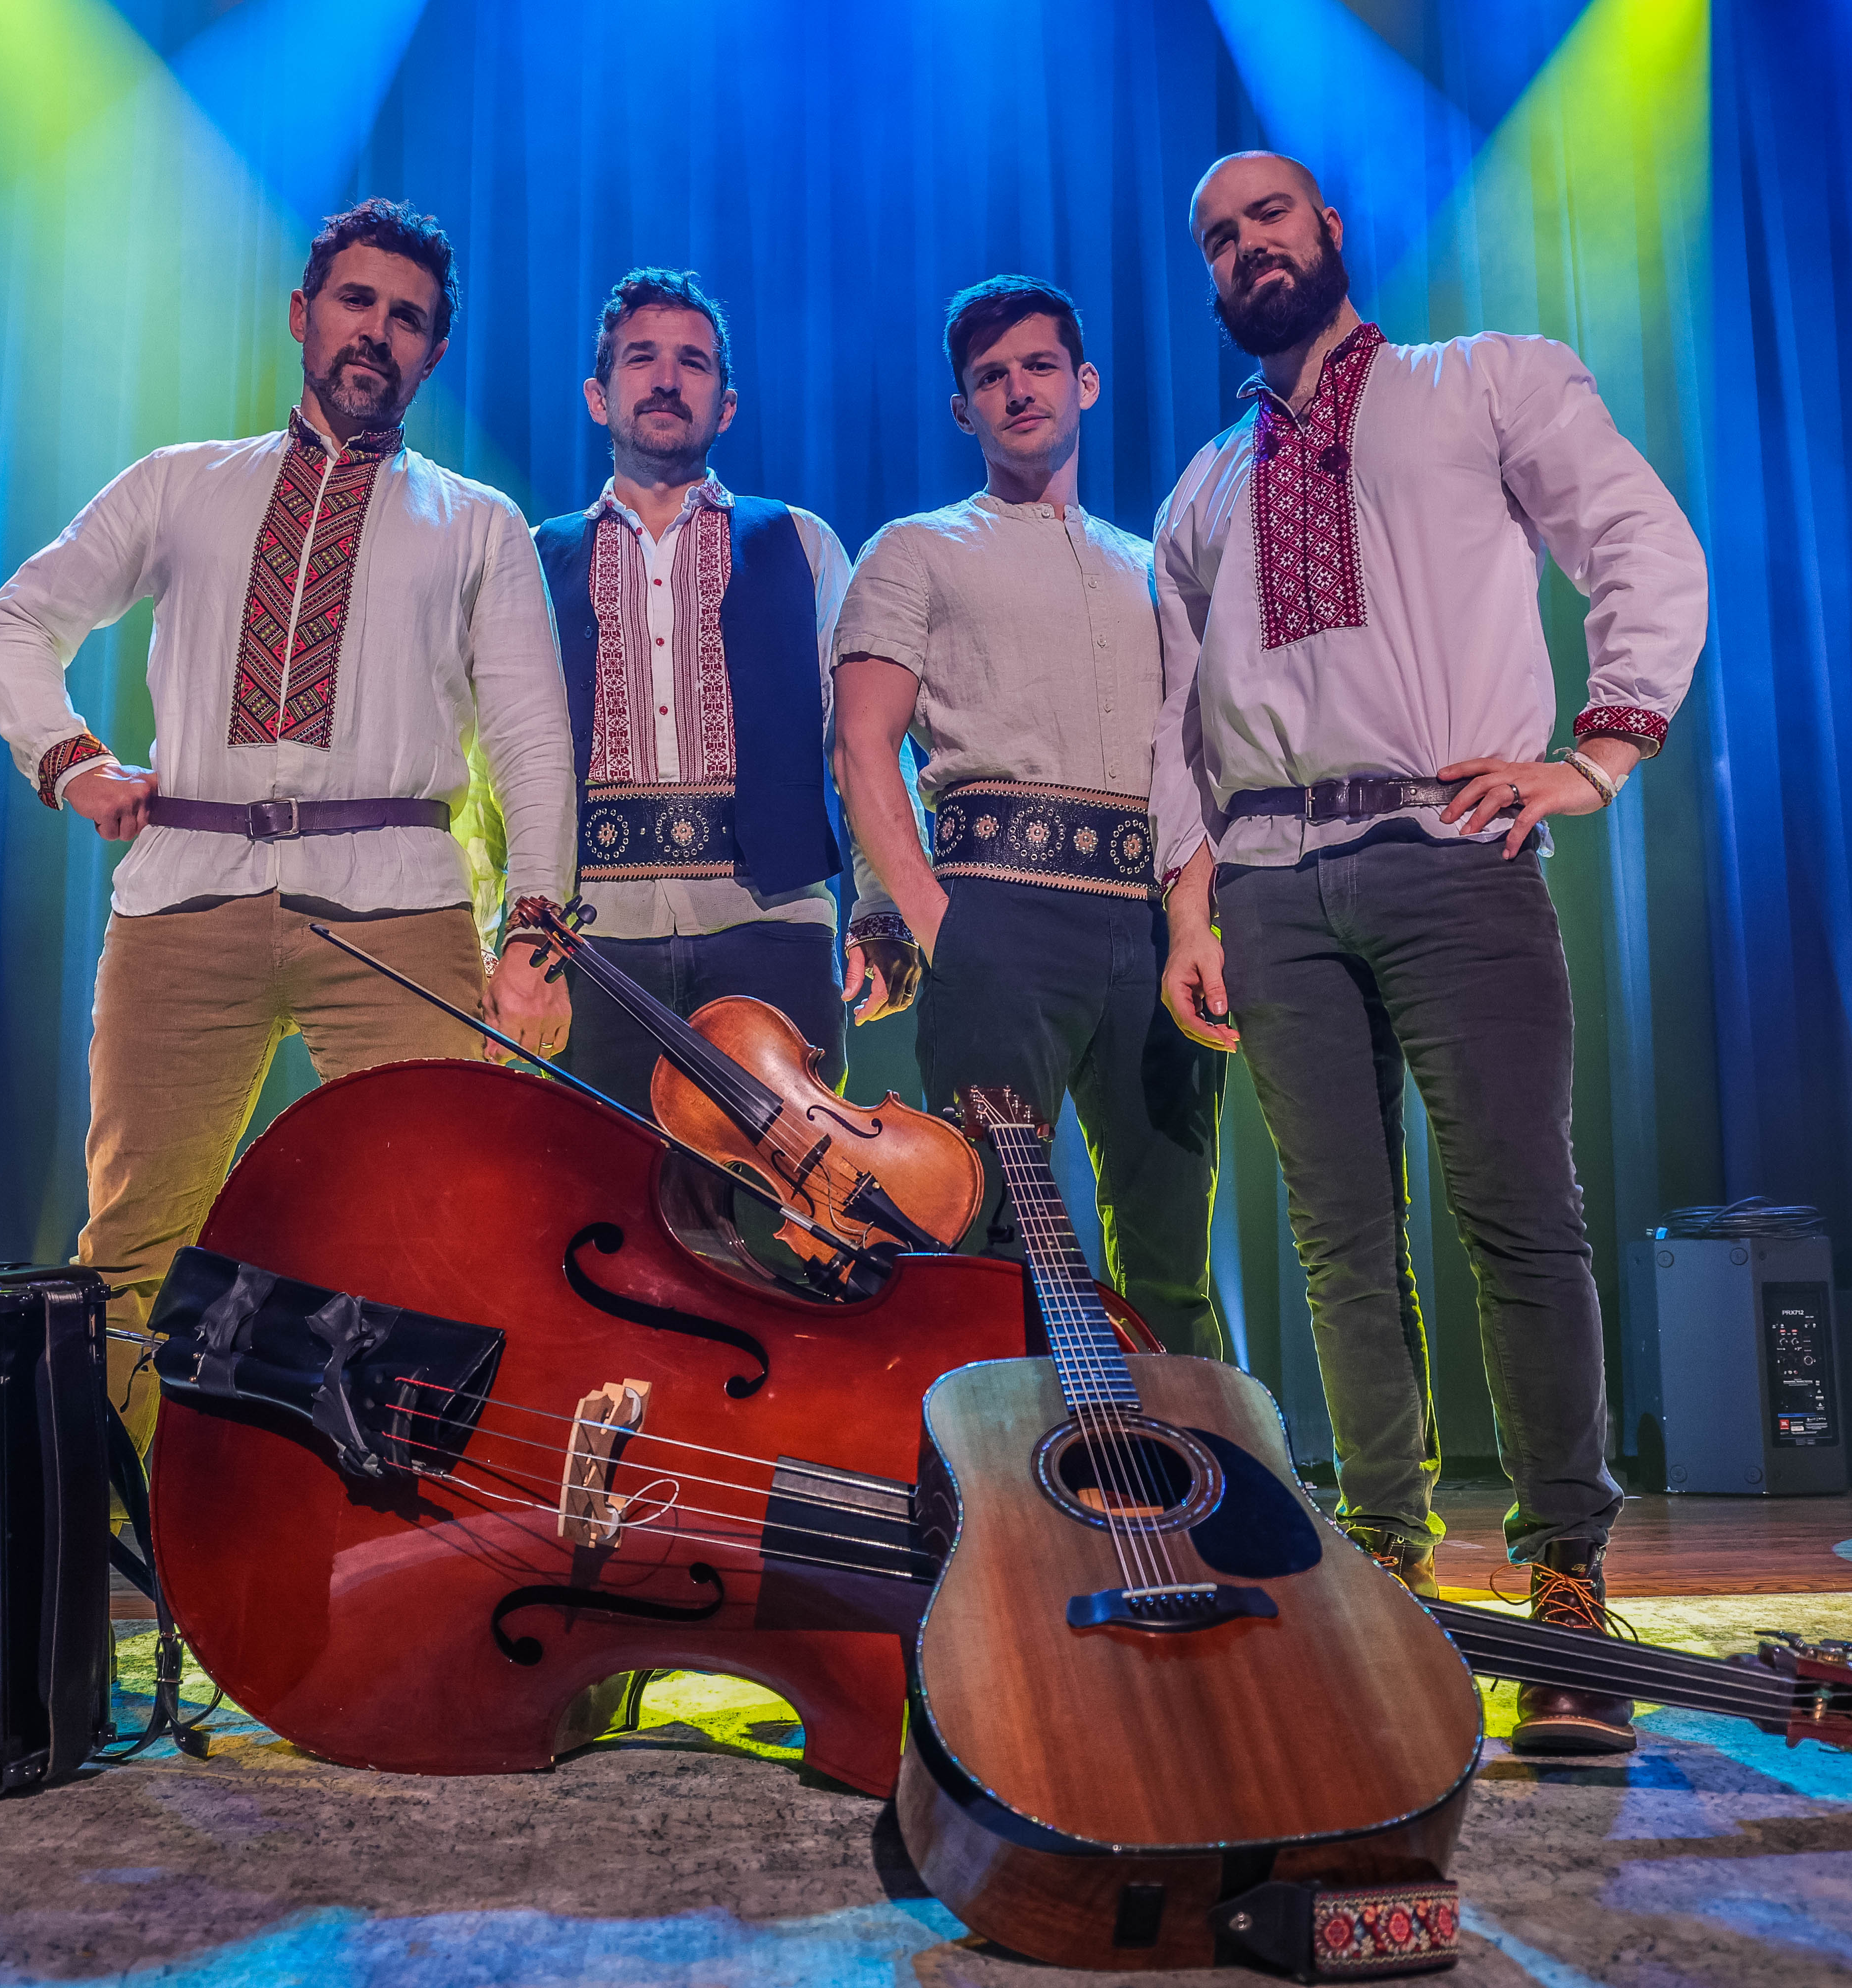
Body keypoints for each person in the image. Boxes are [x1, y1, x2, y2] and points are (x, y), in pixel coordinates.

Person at [1151, 153, 1707, 1755]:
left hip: (1452, 848)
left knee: (1518, 1219)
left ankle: (1565, 1589)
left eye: (1269, 216)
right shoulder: (1201, 488)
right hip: (1270, 883)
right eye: (1218, 237)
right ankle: (1380, 1564)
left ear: (1329, 228)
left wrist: (1601, 750)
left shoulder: (1483, 382)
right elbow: (1172, 715)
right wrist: (1188, 906)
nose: (1248, 247)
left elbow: (1635, 537)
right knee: (1338, 1240)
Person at [0, 198, 575, 1447]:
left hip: (399, 909)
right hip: (185, 902)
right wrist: (70, 758)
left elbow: (531, 738)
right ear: (303, 315)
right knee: (134, 1246)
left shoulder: (478, 522)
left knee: (445, 1229)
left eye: (407, 318)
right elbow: (15, 623)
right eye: (356, 302)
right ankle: (132, 1541)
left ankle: (398, 1541)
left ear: (434, 353)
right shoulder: (181, 483)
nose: (376, 332)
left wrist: (536, 931)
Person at [834, 277, 1225, 1360]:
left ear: (1085, 382)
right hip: (996, 914)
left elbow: (1199, 756)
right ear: (963, 409)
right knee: (992, 1241)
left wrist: (1194, 917)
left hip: (1146, 921)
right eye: (991, 377)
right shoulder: (916, 548)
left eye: (1039, 366)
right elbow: (862, 744)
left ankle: (1180, 1462)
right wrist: (933, 921)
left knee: (1171, 1243)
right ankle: (1004, 1465)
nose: (1018, 390)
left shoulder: (1154, 566)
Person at [533, 269, 889, 1112]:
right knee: (604, 1177)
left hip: (774, 930)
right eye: (641, 359)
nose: (666, 380)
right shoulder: (534, 556)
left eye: (692, 363)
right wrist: (505, 931)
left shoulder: (801, 543)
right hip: (591, 939)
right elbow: (496, 759)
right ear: (597, 397)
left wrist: (881, 905)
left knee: (785, 1186)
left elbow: (862, 738)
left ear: (726, 406)